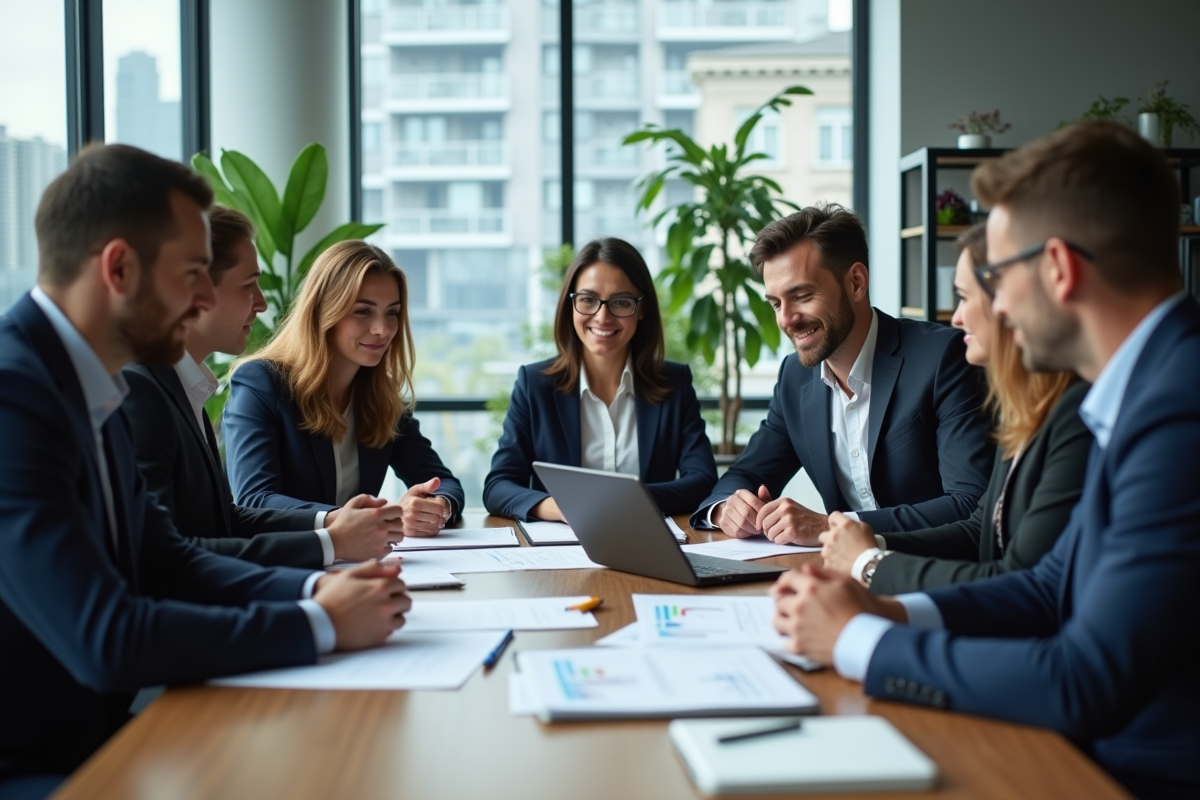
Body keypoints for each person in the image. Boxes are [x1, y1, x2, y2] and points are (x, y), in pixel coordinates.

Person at [772, 121, 1200, 799]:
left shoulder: (1178, 407)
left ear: (1058, 269)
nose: (984, 309)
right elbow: (1046, 586)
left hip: (1132, 771)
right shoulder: (1142, 387)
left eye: (997, 276)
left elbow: (1083, 679)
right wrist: (885, 611)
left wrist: (856, 640)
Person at [0, 144, 409, 799]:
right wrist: (319, 623)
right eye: (193, 272)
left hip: (104, 738)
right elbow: (106, 638)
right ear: (119, 268)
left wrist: (317, 590)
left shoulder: (91, 385)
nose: (202, 298)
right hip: (40, 766)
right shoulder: (15, 396)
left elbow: (166, 559)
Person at [691, 204, 994, 544]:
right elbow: (744, 474)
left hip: (931, 567)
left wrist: (829, 527)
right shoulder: (794, 377)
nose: (786, 320)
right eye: (776, 303)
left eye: (801, 296)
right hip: (840, 571)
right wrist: (726, 509)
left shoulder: (943, 358)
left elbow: (970, 504)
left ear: (856, 282)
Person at [122, 207, 402, 568]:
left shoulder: (184, 389)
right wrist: (329, 549)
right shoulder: (142, 392)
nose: (262, 302)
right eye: (247, 285)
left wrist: (332, 530)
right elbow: (160, 557)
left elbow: (224, 521)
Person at [818, 223, 1091, 593]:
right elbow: (980, 531)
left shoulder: (1074, 415)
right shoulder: (1023, 409)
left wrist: (869, 565)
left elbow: (1021, 581)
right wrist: (871, 546)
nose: (957, 318)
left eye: (963, 297)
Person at [223, 241, 464, 537]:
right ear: (324, 311)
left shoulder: (380, 397)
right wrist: (359, 520)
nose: (382, 329)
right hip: (286, 559)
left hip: (360, 559)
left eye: (392, 313)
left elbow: (444, 483)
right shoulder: (261, 383)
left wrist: (436, 505)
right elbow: (255, 500)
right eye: (363, 311)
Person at [483, 238, 717, 520]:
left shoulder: (674, 383)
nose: (602, 316)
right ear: (571, 304)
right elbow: (498, 486)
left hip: (646, 539)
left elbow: (703, 480)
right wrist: (562, 507)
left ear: (642, 309)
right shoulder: (534, 384)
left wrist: (624, 501)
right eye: (588, 300)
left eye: (621, 302)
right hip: (560, 542)